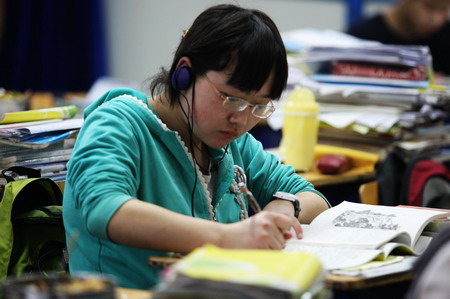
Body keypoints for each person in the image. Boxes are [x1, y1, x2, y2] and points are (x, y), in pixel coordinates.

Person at [62, 4, 329, 290]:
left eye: (259, 106)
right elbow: (105, 209)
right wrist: (227, 237)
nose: (241, 119)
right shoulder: (118, 123)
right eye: (231, 98)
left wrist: (282, 211)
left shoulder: (234, 144)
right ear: (185, 72)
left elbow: (312, 197)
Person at [347, 0, 450, 75]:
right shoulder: (362, 37)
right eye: (430, 7)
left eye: (444, 10)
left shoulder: (446, 35)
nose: (437, 20)